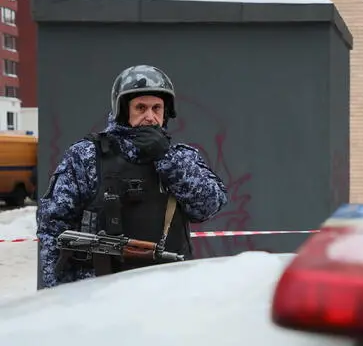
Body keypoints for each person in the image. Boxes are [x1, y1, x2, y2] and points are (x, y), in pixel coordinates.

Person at [36, 65, 228, 289]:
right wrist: (58, 294)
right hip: (100, 292)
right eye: (140, 108)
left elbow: (208, 206)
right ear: (123, 111)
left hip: (170, 290)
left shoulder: (180, 158)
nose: (150, 117)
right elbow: (53, 226)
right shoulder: (87, 156)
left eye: (157, 108)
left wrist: (166, 159)